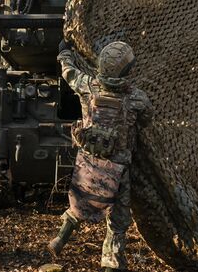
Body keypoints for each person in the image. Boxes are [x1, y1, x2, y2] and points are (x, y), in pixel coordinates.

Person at [48, 40, 153, 272]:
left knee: (80, 197)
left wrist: (64, 50)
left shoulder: (88, 85)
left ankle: (60, 238)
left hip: (88, 160)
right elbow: (147, 120)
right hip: (118, 168)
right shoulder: (137, 98)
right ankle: (110, 266)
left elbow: (68, 72)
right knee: (117, 222)